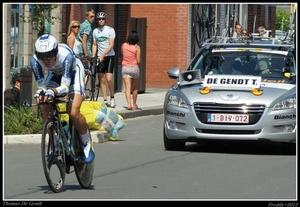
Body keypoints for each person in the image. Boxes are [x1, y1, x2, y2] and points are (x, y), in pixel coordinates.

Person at [30, 34, 95, 164]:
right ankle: (54, 143)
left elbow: (64, 88)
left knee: (73, 111)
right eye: (42, 56)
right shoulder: (35, 62)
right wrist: (41, 93)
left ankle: (85, 143)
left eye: (49, 55)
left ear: (55, 52)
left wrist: (53, 91)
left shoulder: (66, 56)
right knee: (45, 106)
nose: (46, 60)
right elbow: (41, 85)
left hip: (73, 73)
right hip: (54, 75)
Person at [92, 12, 116, 108]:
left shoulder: (110, 30)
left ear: (105, 20)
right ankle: (105, 100)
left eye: (102, 19)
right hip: (99, 57)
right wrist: (94, 56)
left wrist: (103, 55)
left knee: (109, 79)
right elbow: (94, 44)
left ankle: (112, 97)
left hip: (109, 56)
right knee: (101, 79)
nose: (101, 21)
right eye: (99, 19)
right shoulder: (95, 31)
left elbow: (111, 45)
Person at [121, 30, 141, 110]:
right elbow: (138, 60)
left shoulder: (123, 45)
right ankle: (134, 104)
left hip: (125, 67)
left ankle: (129, 104)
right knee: (135, 87)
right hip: (134, 67)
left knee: (127, 87)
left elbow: (123, 54)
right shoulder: (137, 47)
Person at [77, 9, 95, 88]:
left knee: (81, 71)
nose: (93, 19)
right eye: (91, 17)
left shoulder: (81, 25)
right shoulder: (88, 26)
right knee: (89, 71)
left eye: (93, 17)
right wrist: (87, 54)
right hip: (85, 51)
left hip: (79, 51)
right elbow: (84, 40)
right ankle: (82, 88)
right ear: (86, 17)